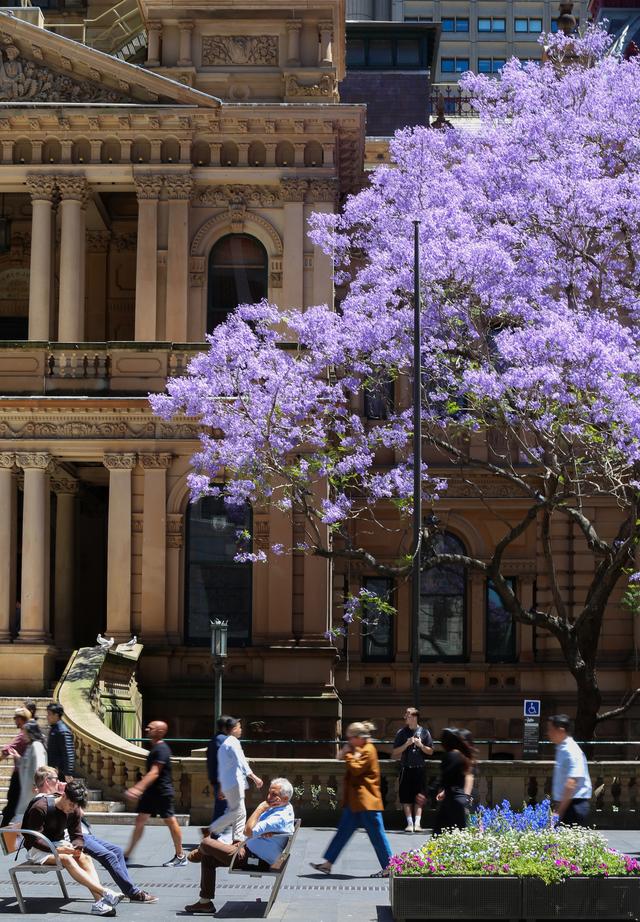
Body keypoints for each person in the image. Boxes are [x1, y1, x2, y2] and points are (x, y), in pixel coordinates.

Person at [33, 766, 157, 903]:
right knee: (109, 856)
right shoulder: (44, 800)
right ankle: (132, 893)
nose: (59, 781)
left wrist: (68, 792)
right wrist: (65, 793)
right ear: (47, 781)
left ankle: (127, 891)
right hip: (68, 839)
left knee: (117, 851)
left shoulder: (59, 795)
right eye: (56, 779)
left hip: (79, 835)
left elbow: (78, 815)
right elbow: (37, 834)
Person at [184, 777, 295, 915]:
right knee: (208, 857)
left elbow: (247, 831)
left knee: (206, 843)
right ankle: (205, 904)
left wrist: (261, 808)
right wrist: (260, 834)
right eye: (269, 793)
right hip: (248, 850)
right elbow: (253, 831)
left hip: (255, 860)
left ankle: (199, 851)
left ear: (284, 798)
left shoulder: (277, 817)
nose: (268, 797)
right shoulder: (285, 807)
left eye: (274, 795)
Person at [22, 779, 123, 917]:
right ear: (64, 795)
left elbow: (77, 835)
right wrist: (58, 850)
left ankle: (99, 902)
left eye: (75, 805)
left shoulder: (74, 810)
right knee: (67, 859)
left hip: (56, 845)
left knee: (85, 858)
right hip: (37, 850)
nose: (72, 808)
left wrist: (76, 847)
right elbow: (33, 839)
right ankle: (105, 892)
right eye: (71, 804)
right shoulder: (41, 807)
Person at [310, 721, 392, 878]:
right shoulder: (360, 748)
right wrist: (347, 753)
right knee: (342, 833)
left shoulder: (368, 750)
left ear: (358, 737)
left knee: (377, 835)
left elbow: (356, 769)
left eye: (350, 738)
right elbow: (341, 758)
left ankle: (389, 867)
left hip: (367, 803)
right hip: (356, 803)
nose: (349, 741)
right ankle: (327, 864)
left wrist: (347, 753)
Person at [124, 720, 186, 867]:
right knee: (140, 820)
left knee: (170, 821)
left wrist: (137, 788)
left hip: (162, 792)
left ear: (159, 731)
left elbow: (154, 772)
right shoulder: (156, 749)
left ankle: (181, 855)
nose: (147, 729)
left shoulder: (162, 750)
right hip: (151, 792)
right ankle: (126, 855)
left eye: (150, 728)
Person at [207, 716, 263, 842]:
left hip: (228, 784)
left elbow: (221, 767)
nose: (241, 730)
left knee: (236, 812)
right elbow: (241, 762)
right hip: (234, 783)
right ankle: (232, 838)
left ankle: (233, 838)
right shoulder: (233, 742)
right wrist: (254, 777)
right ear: (232, 729)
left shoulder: (224, 744)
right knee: (239, 812)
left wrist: (221, 786)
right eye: (239, 727)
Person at [392, 707, 433, 832]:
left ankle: (418, 823)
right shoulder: (401, 733)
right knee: (406, 797)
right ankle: (410, 823)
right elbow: (395, 752)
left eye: (408, 715)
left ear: (415, 717)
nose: (405, 717)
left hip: (419, 769)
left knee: (419, 797)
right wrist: (407, 744)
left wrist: (421, 745)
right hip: (406, 769)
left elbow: (430, 751)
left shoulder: (425, 732)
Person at [547, 713, 592, 826]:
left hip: (574, 807)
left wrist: (559, 812)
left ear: (561, 730)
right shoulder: (562, 749)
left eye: (551, 730)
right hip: (567, 805)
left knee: (565, 843)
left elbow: (571, 783)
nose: (548, 733)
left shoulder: (571, 751)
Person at [432, 728, 476, 835]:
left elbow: (445, 777)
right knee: (459, 834)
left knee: (439, 835)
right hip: (457, 799)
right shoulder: (462, 756)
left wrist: (432, 790)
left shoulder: (452, 755)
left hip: (453, 800)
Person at [11, 718, 47, 820]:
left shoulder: (37, 746)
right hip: (27, 788)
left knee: (27, 814)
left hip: (32, 788)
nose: (24, 735)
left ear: (31, 733)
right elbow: (26, 763)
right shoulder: (31, 746)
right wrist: (18, 758)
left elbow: (39, 766)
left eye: (25, 733)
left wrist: (37, 784)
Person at [0, 707, 31, 827]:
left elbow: (8, 749)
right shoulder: (25, 731)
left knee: (12, 801)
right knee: (13, 802)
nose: (14, 721)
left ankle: (3, 827)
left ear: (21, 719)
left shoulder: (24, 733)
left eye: (16, 718)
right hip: (21, 773)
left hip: (20, 775)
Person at [205, 715, 229, 831]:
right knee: (222, 809)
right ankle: (213, 835)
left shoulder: (214, 739)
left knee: (222, 809)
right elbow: (222, 763)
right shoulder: (223, 740)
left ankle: (214, 834)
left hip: (217, 780)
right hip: (222, 782)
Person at [46, 702, 75, 781]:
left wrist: (68, 773)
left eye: (49, 714)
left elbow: (68, 753)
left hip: (60, 773)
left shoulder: (63, 731)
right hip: (54, 771)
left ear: (56, 715)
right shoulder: (55, 729)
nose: (47, 717)